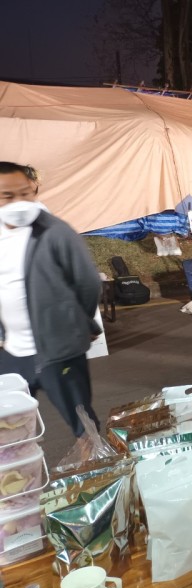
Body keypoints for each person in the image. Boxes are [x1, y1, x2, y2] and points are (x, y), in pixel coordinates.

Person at [0, 162, 102, 438]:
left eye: (25, 193)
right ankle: (20, 464)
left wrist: (79, 323)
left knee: (82, 421)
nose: (19, 202)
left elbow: (87, 282)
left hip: (59, 350)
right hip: (11, 353)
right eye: (7, 196)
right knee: (10, 426)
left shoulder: (55, 232)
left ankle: (96, 460)